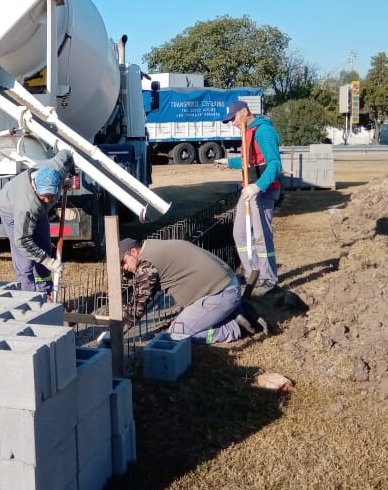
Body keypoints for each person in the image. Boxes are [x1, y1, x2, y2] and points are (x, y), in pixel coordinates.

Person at [118, 237, 267, 343]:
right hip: (226, 286)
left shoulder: (146, 265)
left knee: (176, 334)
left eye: (123, 261)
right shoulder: (154, 246)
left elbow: (137, 308)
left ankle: (235, 328)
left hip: (219, 294)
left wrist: (115, 333)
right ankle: (238, 312)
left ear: (134, 251)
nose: (124, 267)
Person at [221, 99, 283, 290]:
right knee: (239, 232)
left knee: (261, 235)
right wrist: (228, 163)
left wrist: (257, 187)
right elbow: (249, 162)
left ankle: (268, 279)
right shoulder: (247, 132)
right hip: (249, 189)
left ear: (245, 111)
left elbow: (274, 164)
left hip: (264, 191)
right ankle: (251, 274)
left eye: (234, 118)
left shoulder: (263, 131)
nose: (233, 123)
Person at [0, 149, 74, 298]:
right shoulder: (27, 206)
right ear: (35, 187)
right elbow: (23, 241)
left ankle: (45, 294)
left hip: (38, 212)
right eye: (44, 196)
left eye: (51, 195)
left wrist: (70, 176)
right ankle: (30, 301)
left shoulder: (58, 168)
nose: (48, 200)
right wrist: (48, 261)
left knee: (44, 248)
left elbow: (67, 155)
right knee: (26, 264)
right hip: (11, 210)